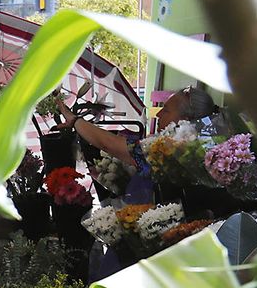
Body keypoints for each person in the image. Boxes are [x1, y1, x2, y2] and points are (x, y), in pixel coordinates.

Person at [57, 85, 215, 203]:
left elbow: (107, 144)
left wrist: (74, 120)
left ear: (185, 120)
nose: (159, 114)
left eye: (166, 110)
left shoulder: (171, 148)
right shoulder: (202, 144)